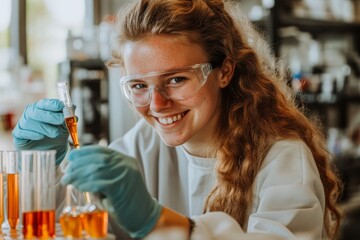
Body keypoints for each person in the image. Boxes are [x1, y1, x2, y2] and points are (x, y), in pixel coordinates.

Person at [13, 0, 343, 239]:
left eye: (176, 80)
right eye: (140, 86)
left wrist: (160, 223)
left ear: (224, 71)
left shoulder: (282, 158)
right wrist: (43, 172)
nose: (158, 104)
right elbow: (69, 225)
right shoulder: (141, 144)